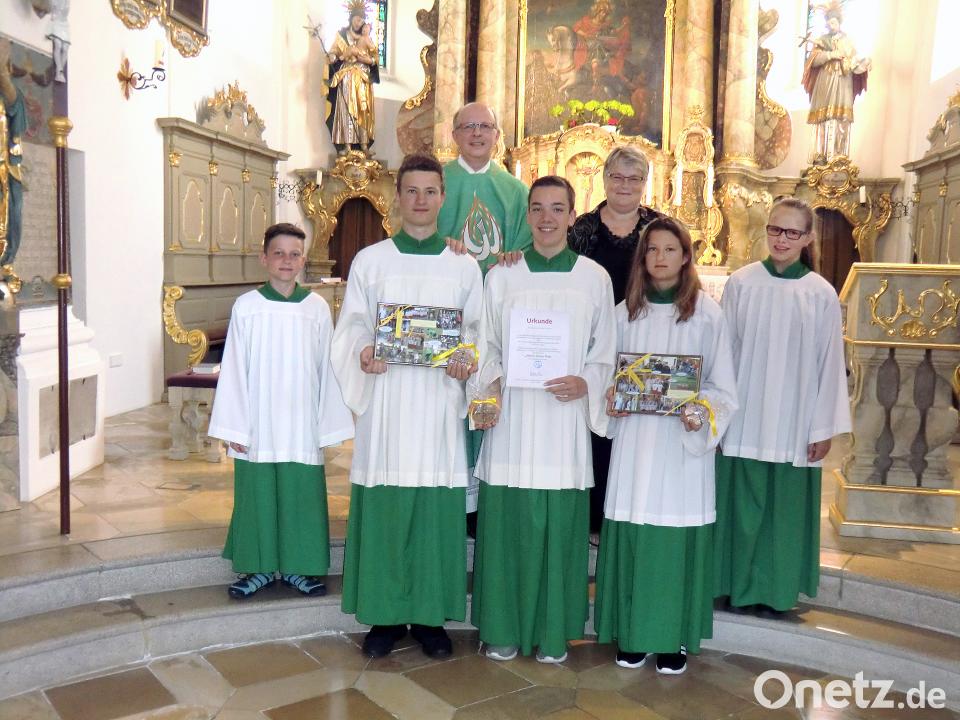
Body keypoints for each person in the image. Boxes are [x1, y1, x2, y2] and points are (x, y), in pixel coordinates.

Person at [331, 153, 484, 659]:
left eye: (430, 191)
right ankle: (386, 614)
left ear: (443, 198)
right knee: (388, 509)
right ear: (397, 197)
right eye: (412, 191)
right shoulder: (371, 261)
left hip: (438, 407)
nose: (421, 200)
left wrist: (467, 359)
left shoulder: (463, 266)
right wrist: (364, 352)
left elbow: (478, 332)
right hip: (388, 406)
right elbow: (353, 325)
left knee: (434, 513)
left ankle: (430, 617)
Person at [470, 176, 616, 664]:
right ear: (527, 216)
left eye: (557, 208)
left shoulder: (594, 278)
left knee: (558, 532)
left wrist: (586, 382)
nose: (547, 218)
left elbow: (606, 350)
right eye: (537, 208)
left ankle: (554, 633)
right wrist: (492, 385)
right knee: (507, 529)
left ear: (573, 216)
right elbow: (485, 343)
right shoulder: (502, 276)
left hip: (563, 422)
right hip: (513, 421)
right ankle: (503, 629)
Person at [594, 216, 737, 676]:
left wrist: (702, 412)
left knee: (674, 539)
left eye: (669, 249)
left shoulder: (707, 315)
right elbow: (606, 374)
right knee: (635, 530)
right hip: (636, 444)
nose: (660, 257)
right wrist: (611, 399)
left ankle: (674, 637)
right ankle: (633, 635)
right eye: (652, 249)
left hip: (681, 447)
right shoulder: (624, 314)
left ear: (686, 256)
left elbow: (722, 385)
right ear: (642, 258)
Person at [714, 197, 851, 617]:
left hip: (795, 420)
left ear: (808, 238)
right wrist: (719, 415)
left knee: (783, 514)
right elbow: (724, 353)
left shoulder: (820, 293)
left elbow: (830, 364)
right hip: (745, 416)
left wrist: (823, 427)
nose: (782, 239)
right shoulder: (742, 283)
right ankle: (734, 585)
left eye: (792, 232)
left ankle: (777, 592)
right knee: (742, 507)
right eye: (775, 229)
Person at [209, 223, 355, 600]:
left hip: (301, 422)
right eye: (279, 253)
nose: (286, 261)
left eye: (294, 254)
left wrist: (327, 423)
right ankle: (257, 569)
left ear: (303, 260)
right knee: (257, 497)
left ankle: (299, 568)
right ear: (264, 258)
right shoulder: (247, 306)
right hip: (258, 423)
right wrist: (234, 427)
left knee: (301, 497)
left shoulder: (316, 308)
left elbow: (327, 367)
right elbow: (234, 368)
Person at [437, 101, 533, 522]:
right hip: (448, 313)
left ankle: (482, 507)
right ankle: (450, 498)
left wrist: (514, 256)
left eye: (485, 126)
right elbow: (421, 235)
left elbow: (527, 249)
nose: (477, 133)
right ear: (454, 134)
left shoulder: (515, 190)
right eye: (468, 126)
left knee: (489, 395)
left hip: (496, 316)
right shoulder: (436, 183)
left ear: (497, 135)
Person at [568, 145, 663, 537]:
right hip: (590, 340)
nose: (625, 185)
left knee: (630, 425)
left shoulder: (658, 228)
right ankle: (592, 516)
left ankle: (625, 510)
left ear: (645, 183)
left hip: (642, 339)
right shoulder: (582, 229)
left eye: (634, 178)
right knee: (593, 422)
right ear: (604, 179)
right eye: (617, 177)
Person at [801, 5, 870, 164]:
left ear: (839, 22)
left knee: (841, 116)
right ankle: (820, 155)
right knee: (823, 116)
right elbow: (813, 61)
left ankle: (839, 155)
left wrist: (864, 64)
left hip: (843, 82)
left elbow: (853, 63)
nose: (831, 26)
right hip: (825, 81)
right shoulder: (821, 41)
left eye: (834, 22)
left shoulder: (848, 41)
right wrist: (831, 55)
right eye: (829, 23)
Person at [326, 6, 379, 153]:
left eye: (361, 20)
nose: (358, 23)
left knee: (363, 110)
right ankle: (347, 145)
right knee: (347, 109)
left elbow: (375, 58)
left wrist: (368, 60)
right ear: (351, 18)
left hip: (362, 79)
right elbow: (333, 54)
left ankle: (364, 145)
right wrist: (336, 56)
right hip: (347, 77)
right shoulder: (341, 36)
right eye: (356, 19)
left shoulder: (366, 38)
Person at [0, 39, 25, 269]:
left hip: (5, 165)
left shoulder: (8, 97)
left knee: (11, 211)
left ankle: (6, 255)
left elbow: (15, 103)